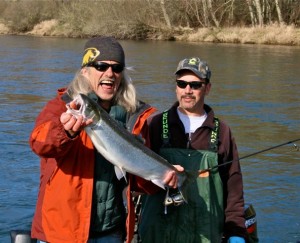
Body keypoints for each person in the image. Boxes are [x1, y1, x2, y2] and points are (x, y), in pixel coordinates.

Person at [29, 36, 179, 243]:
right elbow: (39, 143)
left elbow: (141, 184)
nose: (109, 73)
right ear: (85, 70)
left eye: (117, 68)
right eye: (101, 66)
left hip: (112, 231)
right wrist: (65, 131)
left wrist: (165, 177)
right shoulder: (62, 106)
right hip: (62, 232)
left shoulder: (137, 117)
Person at [138, 57, 249, 243]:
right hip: (157, 232)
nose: (187, 90)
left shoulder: (222, 131)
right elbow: (137, 180)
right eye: (182, 84)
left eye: (195, 85)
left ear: (207, 88)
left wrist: (236, 231)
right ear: (176, 87)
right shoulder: (154, 124)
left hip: (206, 233)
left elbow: (234, 189)